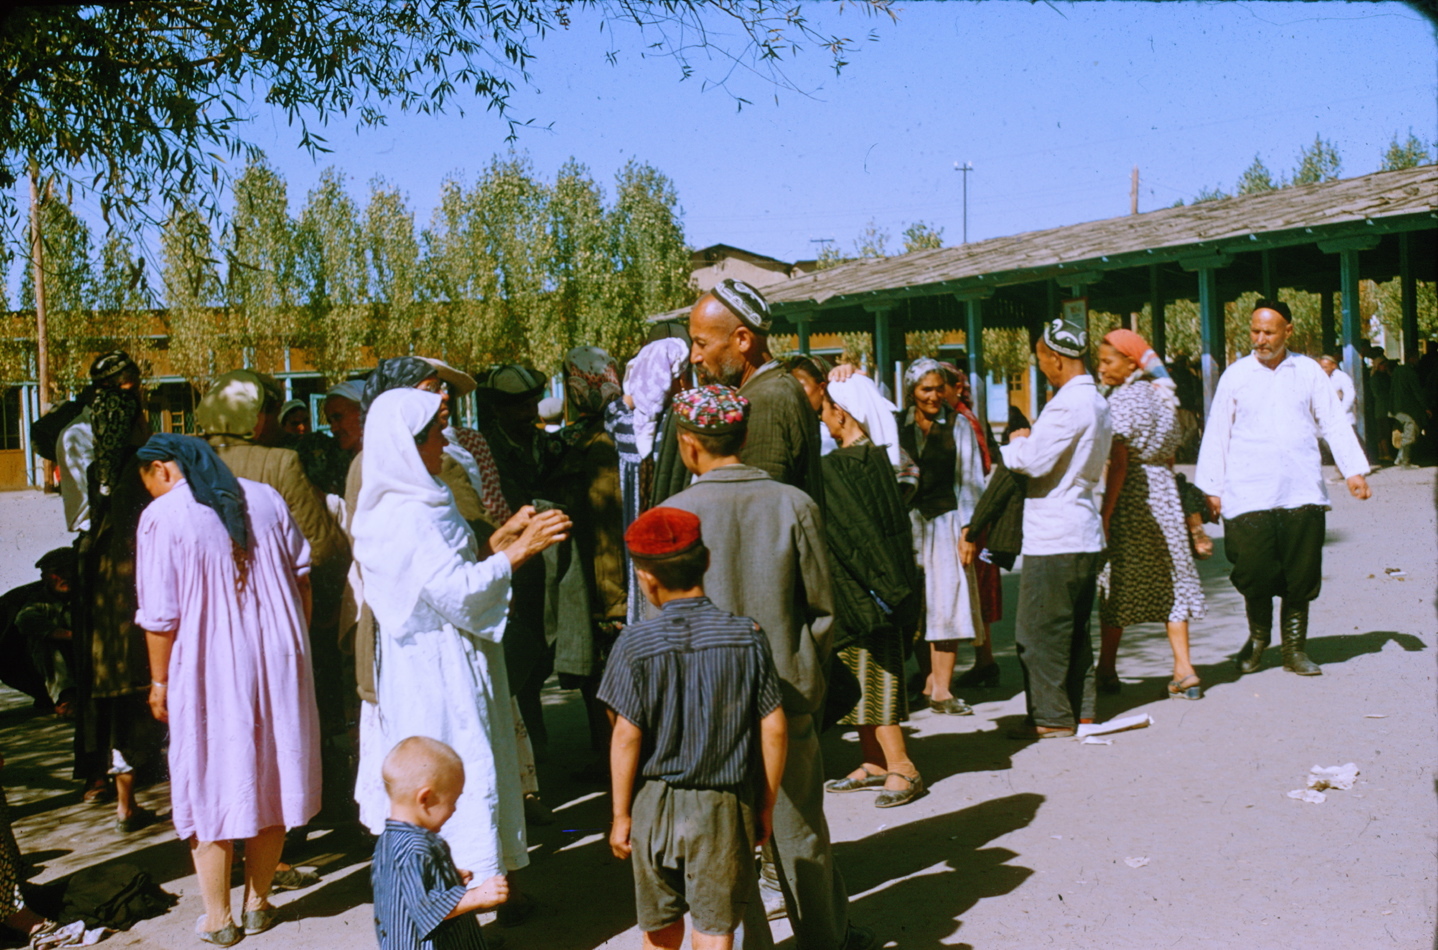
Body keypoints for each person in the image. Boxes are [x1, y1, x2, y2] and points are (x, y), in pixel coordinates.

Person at [661, 386, 871, 950]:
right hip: (786, 693)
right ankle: (826, 937)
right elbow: (823, 610)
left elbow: (659, 624)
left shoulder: (669, 516)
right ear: (746, 436)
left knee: (724, 837)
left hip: (704, 708)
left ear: (687, 445)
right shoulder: (793, 504)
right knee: (800, 829)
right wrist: (804, 668)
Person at [351, 388, 570, 898]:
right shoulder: (410, 512)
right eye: (431, 437)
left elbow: (446, 570)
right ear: (408, 444)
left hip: (435, 655)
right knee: (455, 763)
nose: (441, 446)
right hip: (438, 663)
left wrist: (502, 539)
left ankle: (469, 886)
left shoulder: (406, 499)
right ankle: (460, 894)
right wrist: (521, 552)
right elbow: (455, 589)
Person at [134, 433, 322, 944]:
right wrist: (294, 644)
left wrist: (159, 681)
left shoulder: (163, 516)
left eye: (148, 482)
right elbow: (303, 578)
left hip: (208, 662)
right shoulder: (265, 496)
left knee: (209, 776)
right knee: (274, 771)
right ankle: (259, 902)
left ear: (165, 471)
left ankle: (218, 918)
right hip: (280, 656)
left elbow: (159, 618)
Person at [600, 507, 787, 950]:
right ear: (706, 561)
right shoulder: (747, 636)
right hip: (723, 805)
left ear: (645, 578)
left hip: (653, 802)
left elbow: (625, 733)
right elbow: (774, 729)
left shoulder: (633, 643)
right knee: (715, 928)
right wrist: (765, 805)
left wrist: (621, 815)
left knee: (660, 928)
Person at [1196, 299, 1371, 677]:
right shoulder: (1236, 375)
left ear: (1287, 331)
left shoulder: (1308, 371)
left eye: (1268, 332)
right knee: (1253, 572)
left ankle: (1294, 650)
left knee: (1300, 575)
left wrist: (1354, 470)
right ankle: (1258, 639)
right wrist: (1210, 488)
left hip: (1300, 490)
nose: (1260, 340)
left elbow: (1333, 422)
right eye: (1254, 332)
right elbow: (1217, 433)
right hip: (1248, 493)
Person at [1002, 313, 1112, 740]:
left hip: (1055, 534)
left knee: (1038, 633)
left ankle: (1050, 718)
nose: (1041, 366)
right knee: (1075, 631)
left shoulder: (1068, 404)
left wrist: (1016, 441)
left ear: (1054, 357)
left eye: (1042, 359)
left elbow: (1032, 461)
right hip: (1083, 529)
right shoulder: (1098, 401)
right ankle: (1080, 712)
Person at [817, 374, 924, 808]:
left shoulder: (844, 467)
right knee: (861, 674)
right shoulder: (877, 459)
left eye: (825, 411)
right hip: (880, 588)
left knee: (874, 678)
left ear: (841, 413)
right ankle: (874, 762)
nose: (823, 421)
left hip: (868, 590)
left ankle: (903, 766)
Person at [73, 355, 164, 825]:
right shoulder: (139, 467)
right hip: (129, 578)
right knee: (135, 680)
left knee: (107, 684)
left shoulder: (82, 449)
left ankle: (112, 787)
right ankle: (126, 792)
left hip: (99, 575)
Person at [1093, 330, 1207, 700]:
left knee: (1117, 580)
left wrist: (1106, 514)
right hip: (1165, 495)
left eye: (1108, 361)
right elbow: (1171, 455)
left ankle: (1107, 670)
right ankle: (1184, 669)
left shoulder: (1123, 400)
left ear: (1130, 362)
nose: (1102, 369)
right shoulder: (1163, 397)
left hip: (1133, 497)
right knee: (1171, 578)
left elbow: (1121, 463)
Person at [655, 279, 824, 510]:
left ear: (743, 340)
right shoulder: (775, 387)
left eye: (701, 343)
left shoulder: (765, 401)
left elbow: (759, 514)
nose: (694, 357)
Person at [550, 347, 628, 768]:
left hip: (599, 581)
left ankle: (613, 763)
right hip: (627, 577)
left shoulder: (575, 442)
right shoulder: (635, 430)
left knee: (601, 680)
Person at [897, 359, 985, 715]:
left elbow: (970, 481)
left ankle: (942, 690)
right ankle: (928, 678)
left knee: (946, 599)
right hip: (910, 524)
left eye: (938, 388)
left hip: (946, 520)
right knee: (919, 603)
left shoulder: (958, 425)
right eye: (925, 389)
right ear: (912, 392)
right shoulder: (897, 425)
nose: (933, 396)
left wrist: (969, 532)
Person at [371, 737, 510, 950]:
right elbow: (427, 909)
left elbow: (403, 886)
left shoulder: (389, 838)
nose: (454, 809)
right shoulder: (414, 847)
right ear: (425, 799)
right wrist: (476, 896)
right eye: (452, 801)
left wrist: (444, 877)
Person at [607, 337, 690, 623]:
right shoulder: (682, 422)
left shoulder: (625, 424)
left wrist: (629, 398)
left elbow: (612, 411)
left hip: (637, 528)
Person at [15, 548, 80, 718]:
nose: (65, 576)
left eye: (69, 570)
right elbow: (25, 619)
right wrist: (69, 636)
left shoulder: (89, 595)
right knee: (44, 642)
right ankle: (66, 698)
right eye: (58, 572)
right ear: (45, 577)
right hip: (53, 671)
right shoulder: (39, 601)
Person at [1387, 355, 1431, 468]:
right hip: (1408, 408)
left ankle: (1399, 458)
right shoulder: (1410, 372)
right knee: (1410, 433)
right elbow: (1417, 392)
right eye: (1416, 358)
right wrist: (1425, 407)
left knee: (1406, 433)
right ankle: (1405, 462)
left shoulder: (1397, 371)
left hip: (1396, 408)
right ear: (1411, 358)